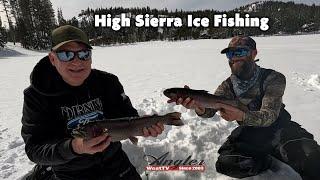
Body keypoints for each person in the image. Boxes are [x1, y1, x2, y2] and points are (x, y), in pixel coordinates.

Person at [21, 25, 165, 180]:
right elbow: (34, 149)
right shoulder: (36, 96)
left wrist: (145, 126)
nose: (77, 62)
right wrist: (74, 147)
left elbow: (128, 116)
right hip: (70, 172)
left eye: (84, 53)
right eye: (66, 54)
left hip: (115, 163)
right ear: (52, 58)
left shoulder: (108, 82)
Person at [168, 36, 320, 180]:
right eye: (231, 54)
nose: (235, 57)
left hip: (281, 128)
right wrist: (198, 107)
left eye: (241, 51)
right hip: (250, 132)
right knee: (226, 163)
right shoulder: (227, 86)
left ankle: (283, 151)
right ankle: (267, 159)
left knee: (313, 160)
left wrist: (240, 116)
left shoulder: (273, 78)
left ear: (254, 54)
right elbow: (209, 110)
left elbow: (269, 116)